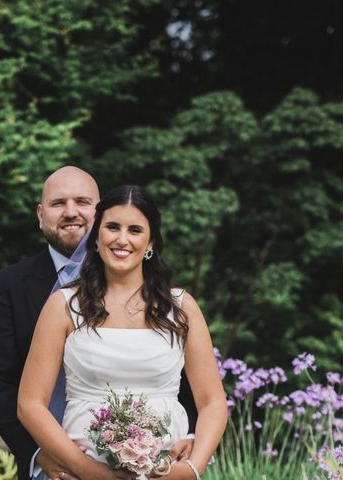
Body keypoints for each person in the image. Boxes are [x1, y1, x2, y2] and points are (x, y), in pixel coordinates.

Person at [0, 169, 197, 480]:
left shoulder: (166, 299)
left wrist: (191, 443)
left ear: (100, 213)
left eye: (82, 202)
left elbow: (182, 376)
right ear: (40, 216)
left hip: (161, 463)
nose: (70, 212)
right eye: (58, 203)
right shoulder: (10, 285)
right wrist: (41, 454)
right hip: (52, 468)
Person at [17, 185, 227, 480]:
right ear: (97, 236)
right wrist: (87, 470)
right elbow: (30, 404)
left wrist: (191, 470)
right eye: (112, 227)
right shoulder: (63, 306)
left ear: (150, 240)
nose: (122, 239)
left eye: (135, 230)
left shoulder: (182, 307)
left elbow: (213, 402)